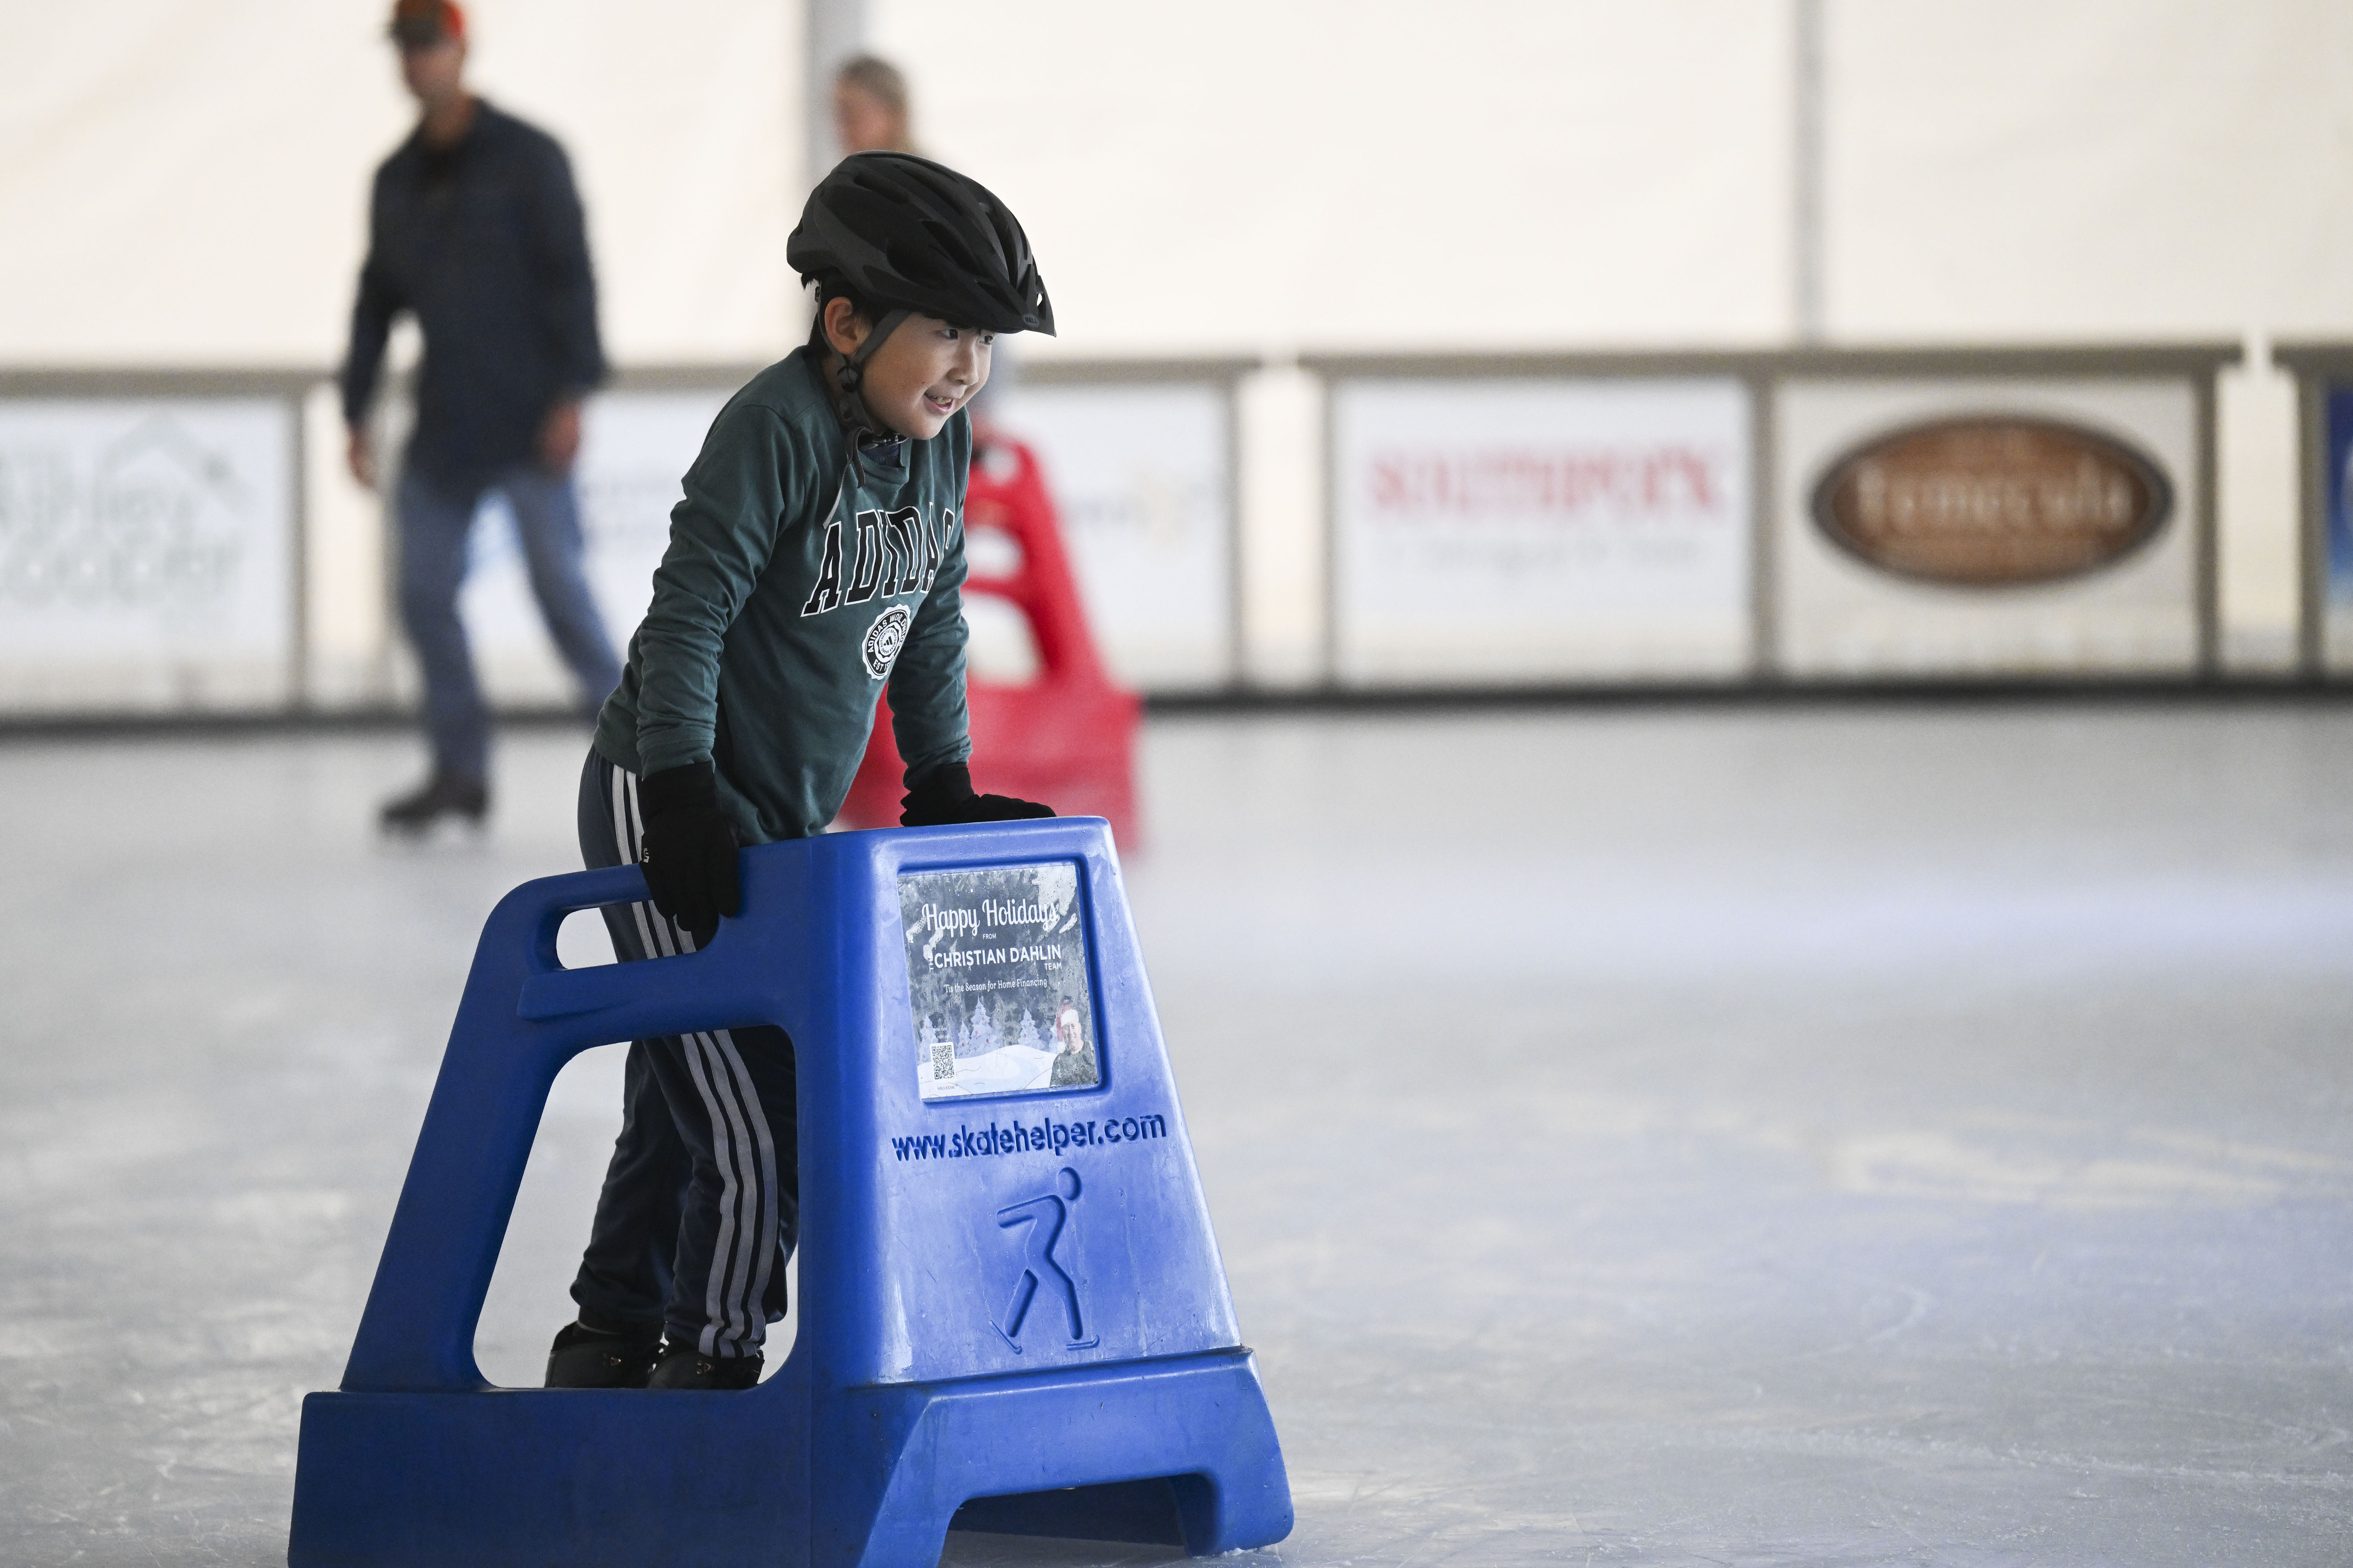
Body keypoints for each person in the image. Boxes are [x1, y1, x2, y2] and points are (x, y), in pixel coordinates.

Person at [543, 152, 1058, 1393]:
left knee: (687, 1090)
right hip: (658, 794)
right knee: (755, 1113)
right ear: (845, 319)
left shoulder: (938, 442)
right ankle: (709, 1371)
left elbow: (930, 618)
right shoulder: (771, 431)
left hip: (777, 820)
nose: (965, 367)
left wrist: (939, 777)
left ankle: (606, 1334)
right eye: (942, 332)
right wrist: (676, 786)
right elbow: (687, 618)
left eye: (981, 340)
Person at [341, 0, 623, 832]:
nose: (416, 63)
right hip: (445, 425)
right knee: (423, 590)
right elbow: (375, 302)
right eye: (405, 49)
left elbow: (574, 278)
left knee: (561, 590)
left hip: (530, 417)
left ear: (461, 50)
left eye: (427, 45)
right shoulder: (395, 179)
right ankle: (460, 767)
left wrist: (574, 392)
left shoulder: (530, 159)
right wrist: (355, 409)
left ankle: (649, 759)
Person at [833, 55, 919, 156]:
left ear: (893, 112)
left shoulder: (925, 171)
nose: (842, 128)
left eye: (853, 113)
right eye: (840, 115)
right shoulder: (845, 171)